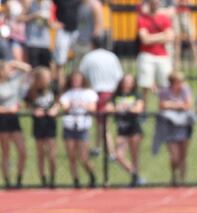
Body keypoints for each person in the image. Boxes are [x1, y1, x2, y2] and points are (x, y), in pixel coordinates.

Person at [79, 35, 123, 168]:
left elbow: (82, 74)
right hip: (111, 92)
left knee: (103, 124)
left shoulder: (89, 57)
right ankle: (98, 147)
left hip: (97, 92)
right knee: (101, 123)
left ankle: (111, 152)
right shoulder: (112, 56)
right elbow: (119, 75)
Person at [60, 71, 99, 188]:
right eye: (73, 79)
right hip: (69, 126)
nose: (76, 81)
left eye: (78, 79)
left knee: (84, 157)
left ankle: (92, 175)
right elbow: (64, 106)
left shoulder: (89, 93)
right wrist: (71, 105)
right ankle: (76, 180)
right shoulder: (67, 93)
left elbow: (93, 108)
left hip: (82, 127)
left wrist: (82, 105)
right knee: (72, 156)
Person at [106, 74, 145, 187]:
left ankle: (135, 179)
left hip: (134, 128)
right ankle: (134, 174)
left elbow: (138, 108)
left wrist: (124, 108)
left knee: (134, 155)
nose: (127, 83)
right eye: (125, 81)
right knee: (119, 155)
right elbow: (108, 108)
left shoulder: (136, 95)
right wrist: (117, 108)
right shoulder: (116, 95)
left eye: (130, 81)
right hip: (122, 129)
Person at [26, 67, 60, 188]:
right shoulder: (32, 91)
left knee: (51, 154)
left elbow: (59, 102)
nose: (48, 80)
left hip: (50, 123)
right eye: (45, 77)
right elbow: (27, 105)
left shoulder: (53, 88)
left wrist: (55, 109)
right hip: (38, 124)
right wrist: (34, 110)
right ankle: (43, 179)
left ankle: (53, 179)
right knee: (40, 153)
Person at [137, 0, 175, 108]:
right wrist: (162, 35)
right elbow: (145, 39)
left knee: (165, 85)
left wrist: (152, 37)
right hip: (146, 54)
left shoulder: (164, 18)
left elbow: (170, 37)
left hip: (162, 55)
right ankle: (143, 110)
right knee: (145, 85)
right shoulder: (142, 18)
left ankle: (163, 109)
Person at [158, 71, 193, 186]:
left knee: (183, 155)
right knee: (174, 156)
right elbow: (162, 105)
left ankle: (183, 180)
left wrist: (172, 105)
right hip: (170, 126)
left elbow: (188, 105)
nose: (181, 84)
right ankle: (174, 176)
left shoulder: (185, 89)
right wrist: (178, 105)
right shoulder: (165, 91)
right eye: (178, 82)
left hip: (184, 125)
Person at [0, 60, 30, 189]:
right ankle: (7, 181)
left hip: (14, 120)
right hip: (3, 120)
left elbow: (28, 69)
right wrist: (7, 109)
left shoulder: (14, 81)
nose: (10, 71)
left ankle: (19, 179)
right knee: (6, 151)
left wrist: (12, 63)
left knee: (22, 151)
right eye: (6, 69)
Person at [21, 0, 54, 69]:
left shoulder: (49, 4)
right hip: (32, 41)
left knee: (46, 68)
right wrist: (33, 16)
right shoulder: (30, 3)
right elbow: (20, 18)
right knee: (34, 68)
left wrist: (47, 22)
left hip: (45, 42)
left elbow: (53, 23)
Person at [172, 0, 197, 70]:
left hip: (186, 14)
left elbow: (190, 3)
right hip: (176, 14)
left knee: (193, 40)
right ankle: (177, 63)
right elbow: (174, 3)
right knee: (177, 41)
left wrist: (182, 3)